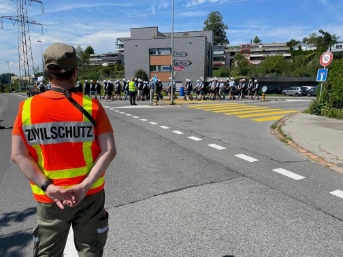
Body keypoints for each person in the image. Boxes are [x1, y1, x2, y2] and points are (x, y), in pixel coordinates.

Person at [11, 43, 116, 257]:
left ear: (47, 72)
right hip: (90, 194)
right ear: (75, 71)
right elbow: (109, 150)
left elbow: (18, 155)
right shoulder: (92, 106)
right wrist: (85, 185)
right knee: (90, 250)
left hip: (50, 198)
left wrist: (48, 187)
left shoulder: (27, 108)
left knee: (48, 253)